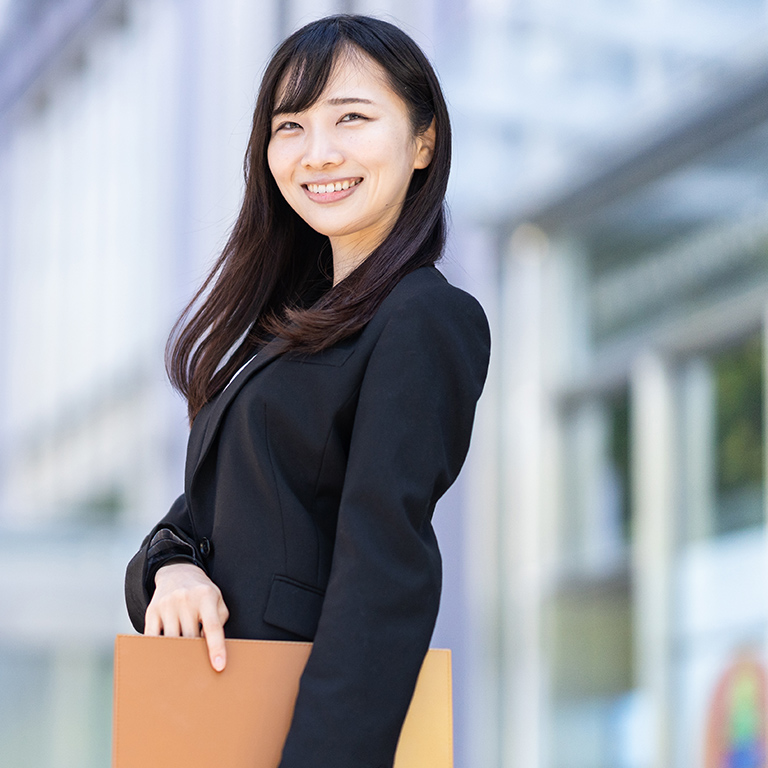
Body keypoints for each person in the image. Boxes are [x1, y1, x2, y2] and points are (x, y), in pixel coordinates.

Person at [125, 14, 490, 768]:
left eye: (350, 118)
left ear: (423, 141)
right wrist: (175, 570)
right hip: (216, 721)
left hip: (297, 735)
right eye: (290, 126)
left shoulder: (423, 316)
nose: (317, 152)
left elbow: (383, 577)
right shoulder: (286, 335)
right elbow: (183, 527)